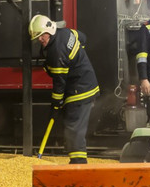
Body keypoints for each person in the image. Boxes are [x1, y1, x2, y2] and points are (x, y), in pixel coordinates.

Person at [29, 14, 100, 164]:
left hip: (79, 90)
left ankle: (78, 164)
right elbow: (83, 37)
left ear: (49, 31)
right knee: (72, 124)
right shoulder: (67, 32)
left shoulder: (56, 52)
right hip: (85, 83)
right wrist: (77, 58)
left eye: (41, 35)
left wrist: (56, 105)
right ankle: (76, 161)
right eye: (37, 37)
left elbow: (59, 83)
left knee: (73, 126)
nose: (40, 39)